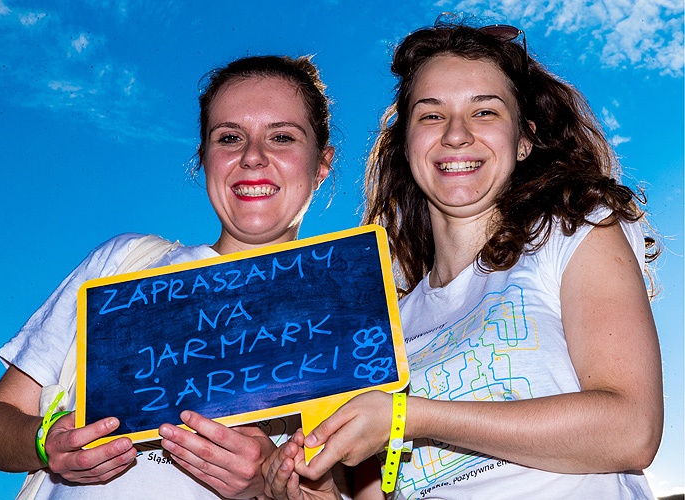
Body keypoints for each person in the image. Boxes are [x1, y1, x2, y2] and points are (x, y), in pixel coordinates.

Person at [263, 17, 663, 500]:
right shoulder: (384, 321)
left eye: (484, 111)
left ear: (523, 139)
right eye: (431, 115)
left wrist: (411, 416)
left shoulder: (573, 231)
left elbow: (631, 430)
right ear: (405, 144)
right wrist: (321, 492)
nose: (456, 134)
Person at [0, 54, 335, 499]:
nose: (252, 157)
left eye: (282, 137)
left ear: (321, 165)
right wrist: (46, 441)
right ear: (204, 158)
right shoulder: (125, 262)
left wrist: (268, 485)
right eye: (229, 137)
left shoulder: (349, 323)